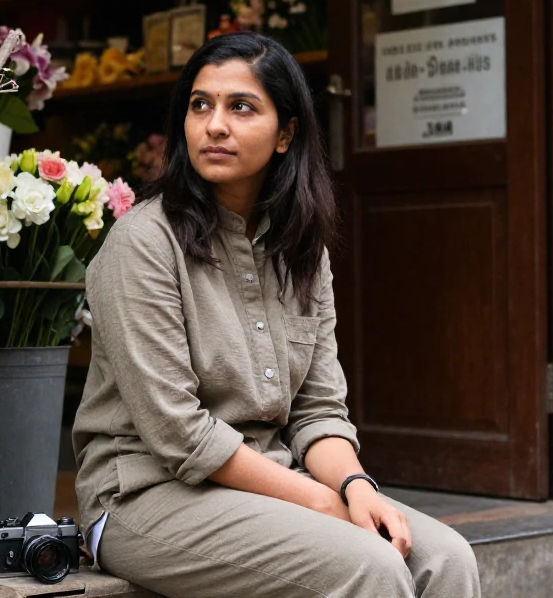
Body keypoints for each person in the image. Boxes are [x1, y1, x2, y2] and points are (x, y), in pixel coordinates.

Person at [72, 32, 481, 598]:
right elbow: (179, 434)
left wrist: (356, 486)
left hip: (272, 481)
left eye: (241, 107)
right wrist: (318, 500)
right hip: (145, 495)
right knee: (371, 564)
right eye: (200, 105)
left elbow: (317, 411)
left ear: (286, 133)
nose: (215, 125)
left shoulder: (302, 251)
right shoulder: (142, 242)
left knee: (447, 559)